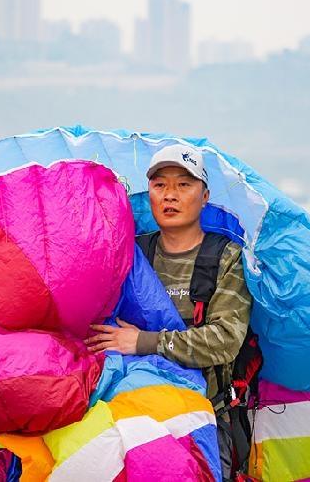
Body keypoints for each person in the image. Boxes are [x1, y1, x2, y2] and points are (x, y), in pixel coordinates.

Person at [85, 144, 253, 481]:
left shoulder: (225, 259)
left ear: (204, 196)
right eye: (160, 185)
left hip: (200, 417)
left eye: (184, 185)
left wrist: (143, 341)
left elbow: (224, 342)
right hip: (126, 415)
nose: (170, 196)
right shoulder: (131, 253)